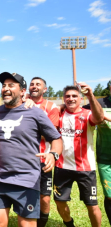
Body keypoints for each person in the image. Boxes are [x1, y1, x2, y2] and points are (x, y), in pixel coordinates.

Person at [0, 72, 62, 227]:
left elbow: (56, 139)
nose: (6, 88)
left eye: (11, 85)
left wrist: (53, 154)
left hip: (27, 179)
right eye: (4, 85)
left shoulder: (35, 112)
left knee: (26, 224)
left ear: (22, 91)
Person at [54, 83, 104, 227]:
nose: (71, 98)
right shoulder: (59, 114)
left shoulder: (88, 114)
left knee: (92, 205)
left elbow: (99, 118)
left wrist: (91, 96)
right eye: (67, 96)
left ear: (81, 99)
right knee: (59, 202)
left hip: (86, 169)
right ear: (63, 99)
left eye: (74, 96)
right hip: (62, 167)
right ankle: (70, 224)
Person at [28, 77, 60, 227]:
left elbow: (50, 133)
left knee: (45, 198)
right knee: (25, 195)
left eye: (38, 84)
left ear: (45, 89)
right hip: (24, 160)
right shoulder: (21, 103)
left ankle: (42, 224)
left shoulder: (51, 106)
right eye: (32, 84)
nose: (34, 87)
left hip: (43, 159)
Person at [83, 80, 111, 224]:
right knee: (110, 196)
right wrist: (61, 105)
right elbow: (77, 110)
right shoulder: (99, 102)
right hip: (105, 159)